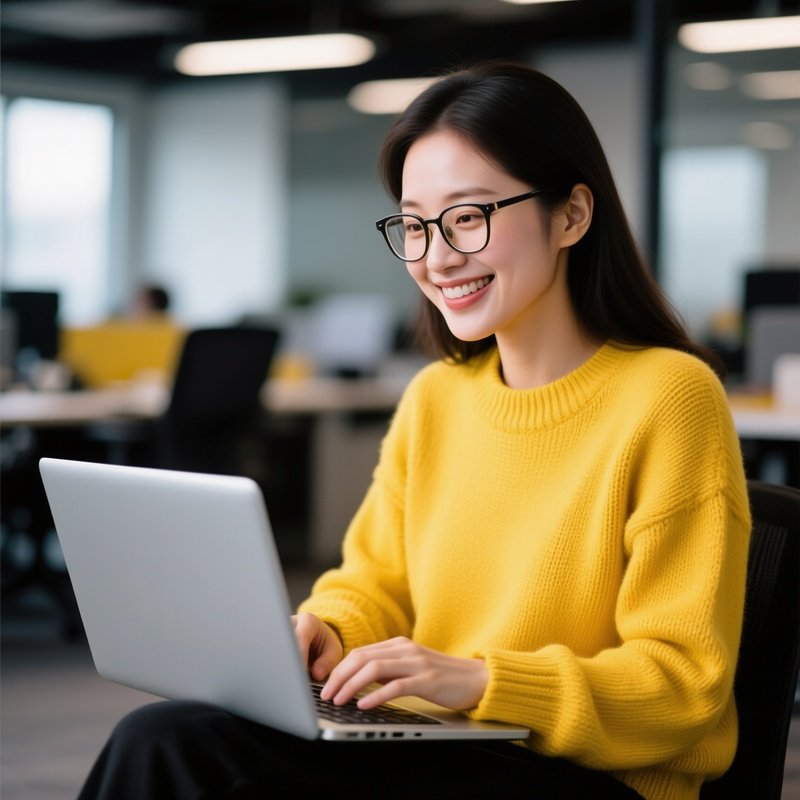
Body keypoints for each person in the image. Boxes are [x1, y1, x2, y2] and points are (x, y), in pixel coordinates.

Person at [76, 61, 750, 800]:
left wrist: (482, 680)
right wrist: (329, 628)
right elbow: (374, 584)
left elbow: (683, 687)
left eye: (468, 216)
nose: (434, 256)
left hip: (584, 776)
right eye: (415, 224)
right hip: (447, 746)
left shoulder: (670, 396)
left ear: (571, 216)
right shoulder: (436, 397)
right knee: (166, 737)